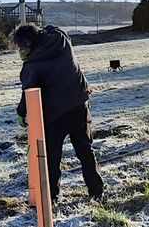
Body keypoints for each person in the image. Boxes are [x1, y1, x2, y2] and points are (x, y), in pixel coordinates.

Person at [10, 23, 105, 203]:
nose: (20, 51)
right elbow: (53, 27)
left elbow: (28, 93)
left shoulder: (32, 66)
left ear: (28, 45)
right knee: (85, 150)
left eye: (21, 47)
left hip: (54, 116)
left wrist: (21, 113)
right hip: (79, 106)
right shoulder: (61, 40)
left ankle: (51, 197)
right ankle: (97, 191)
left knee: (51, 158)